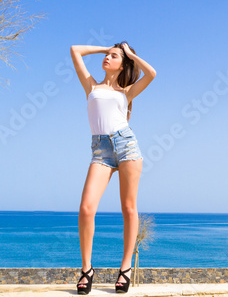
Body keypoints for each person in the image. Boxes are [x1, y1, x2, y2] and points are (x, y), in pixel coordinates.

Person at [70, 41, 156, 294]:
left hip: (126, 145)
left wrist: (128, 53)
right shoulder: (91, 85)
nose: (108, 58)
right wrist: (106, 47)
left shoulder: (127, 92)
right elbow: (75, 50)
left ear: (123, 64)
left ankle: (125, 268)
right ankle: (87, 269)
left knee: (128, 208)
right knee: (86, 208)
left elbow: (151, 73)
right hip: (100, 150)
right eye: (107, 55)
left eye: (113, 56)